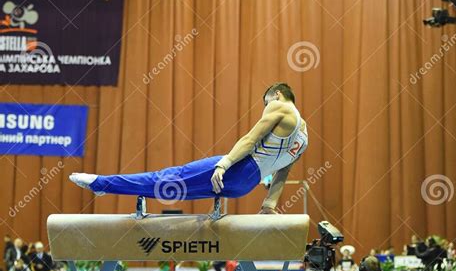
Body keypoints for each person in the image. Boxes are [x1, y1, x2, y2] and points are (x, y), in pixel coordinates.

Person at [69, 82, 308, 213]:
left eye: (266, 101)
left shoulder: (280, 106)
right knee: (173, 189)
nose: (265, 106)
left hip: (240, 169)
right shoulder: (304, 136)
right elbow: (282, 172)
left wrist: (224, 164)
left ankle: (102, 183)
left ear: (277, 94)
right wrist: (268, 206)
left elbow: (250, 139)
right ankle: (110, 186)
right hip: (244, 186)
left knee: (169, 178)